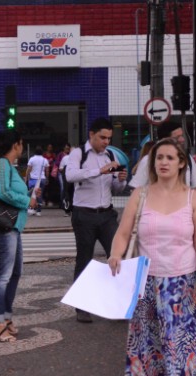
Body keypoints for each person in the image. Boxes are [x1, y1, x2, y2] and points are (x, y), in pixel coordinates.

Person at [109, 137, 196, 376]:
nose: (163, 162)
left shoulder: (194, 198)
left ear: (181, 163)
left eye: (169, 157)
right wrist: (116, 254)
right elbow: (124, 232)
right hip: (147, 282)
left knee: (181, 348)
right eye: (158, 157)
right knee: (148, 347)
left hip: (184, 281)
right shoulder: (140, 195)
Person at [66, 118, 128, 323]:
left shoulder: (110, 155)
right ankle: (82, 307)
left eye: (109, 138)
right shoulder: (78, 153)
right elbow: (70, 175)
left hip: (107, 214)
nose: (106, 142)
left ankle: (117, 305)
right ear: (91, 134)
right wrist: (99, 171)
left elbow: (115, 189)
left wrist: (121, 180)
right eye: (102, 137)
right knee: (84, 259)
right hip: (84, 214)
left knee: (118, 257)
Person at [0, 130, 37, 342]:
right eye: (21, 144)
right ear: (15, 145)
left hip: (12, 227)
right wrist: (27, 201)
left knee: (15, 272)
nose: (22, 148)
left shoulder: (9, 167)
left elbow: (9, 191)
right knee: (3, 275)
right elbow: (2, 192)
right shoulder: (2, 164)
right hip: (2, 228)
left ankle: (6, 317)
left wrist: (28, 195)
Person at [129, 120, 196, 188]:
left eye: (182, 136)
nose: (182, 139)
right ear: (164, 140)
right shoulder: (148, 160)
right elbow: (136, 188)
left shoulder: (187, 158)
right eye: (177, 137)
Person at [26, 147, 49, 216]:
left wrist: (26, 177)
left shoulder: (32, 159)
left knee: (32, 195)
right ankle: (39, 211)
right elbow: (47, 170)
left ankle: (32, 209)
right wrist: (47, 178)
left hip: (33, 179)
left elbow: (29, 169)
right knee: (39, 194)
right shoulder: (45, 160)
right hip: (42, 179)